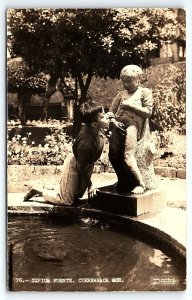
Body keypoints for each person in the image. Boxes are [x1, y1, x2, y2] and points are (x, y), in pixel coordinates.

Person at [23, 101, 109, 205]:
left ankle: (54, 188)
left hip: (87, 163)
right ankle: (37, 190)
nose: (107, 118)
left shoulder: (97, 128)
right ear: (94, 124)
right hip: (75, 164)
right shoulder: (85, 144)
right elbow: (81, 166)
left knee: (76, 196)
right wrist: (90, 185)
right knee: (66, 200)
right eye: (103, 116)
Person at [107, 65, 153, 194]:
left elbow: (148, 112)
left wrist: (130, 106)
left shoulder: (144, 92)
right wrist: (114, 122)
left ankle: (140, 184)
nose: (126, 84)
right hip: (118, 125)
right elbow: (110, 113)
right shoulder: (120, 95)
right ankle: (123, 181)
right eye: (124, 82)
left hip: (133, 126)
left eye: (129, 81)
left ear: (138, 80)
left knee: (128, 156)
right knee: (113, 156)